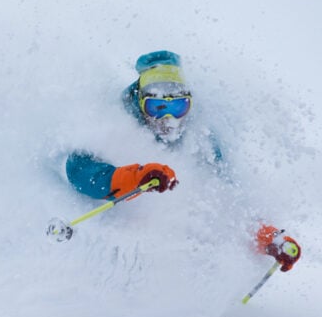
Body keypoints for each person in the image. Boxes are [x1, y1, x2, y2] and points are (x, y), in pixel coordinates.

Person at [65, 50, 301, 272]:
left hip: (169, 263)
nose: (168, 119)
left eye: (178, 107)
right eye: (157, 107)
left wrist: (268, 239)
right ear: (140, 103)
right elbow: (78, 170)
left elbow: (228, 202)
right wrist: (135, 177)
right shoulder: (113, 120)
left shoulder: (202, 142)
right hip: (109, 253)